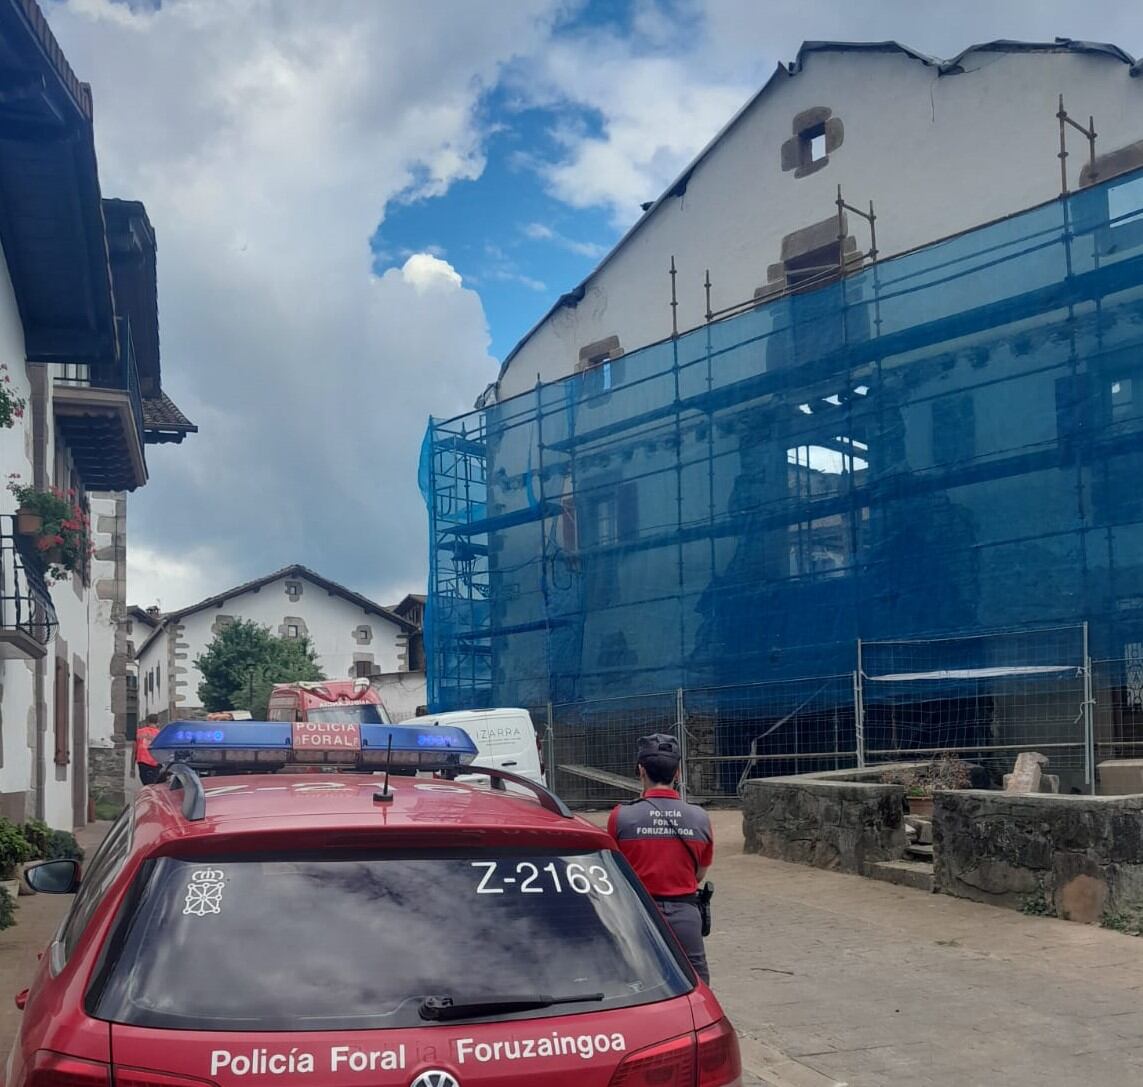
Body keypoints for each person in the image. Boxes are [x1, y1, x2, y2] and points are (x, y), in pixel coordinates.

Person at [607, 733, 713, 984]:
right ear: (677, 773)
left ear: (640, 770)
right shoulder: (700, 818)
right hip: (686, 916)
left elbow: (611, 869)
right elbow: (699, 874)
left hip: (637, 914)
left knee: (635, 983)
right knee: (696, 986)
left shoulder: (621, 816)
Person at [135, 714, 162, 786]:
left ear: (147, 722)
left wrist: (132, 768)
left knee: (146, 783)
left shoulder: (139, 732)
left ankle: (147, 795)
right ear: (158, 722)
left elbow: (134, 749)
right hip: (156, 762)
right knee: (154, 784)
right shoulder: (160, 734)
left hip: (142, 761)